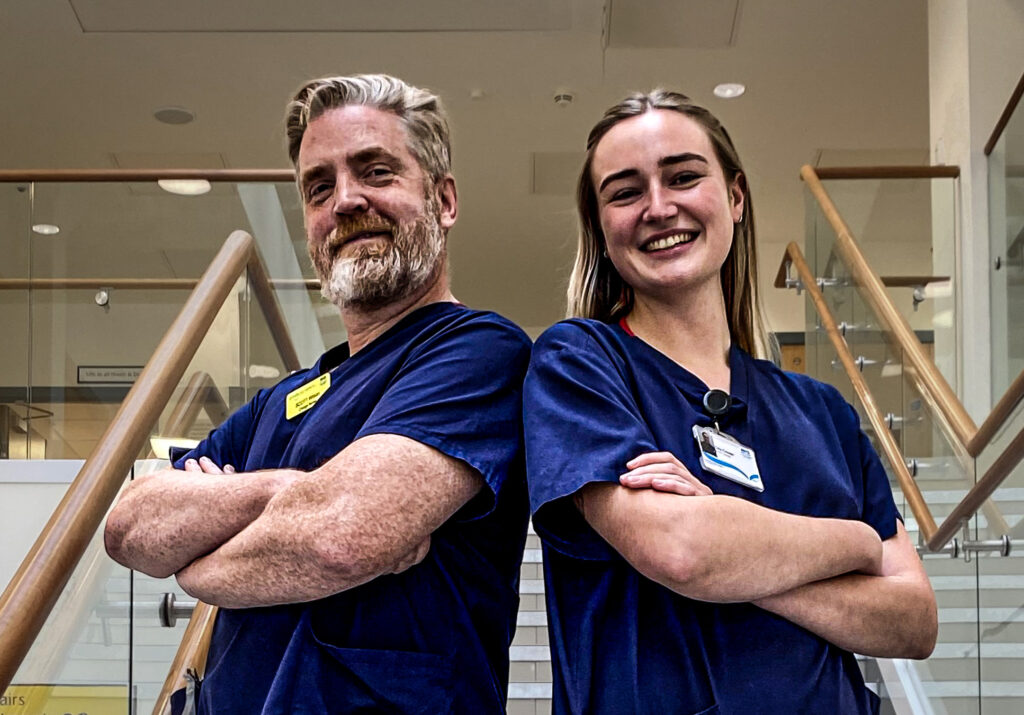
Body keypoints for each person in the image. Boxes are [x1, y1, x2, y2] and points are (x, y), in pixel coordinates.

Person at [105, 74, 532, 713]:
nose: (345, 201)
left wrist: (203, 551)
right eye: (319, 187)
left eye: (376, 171)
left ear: (443, 201)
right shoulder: (287, 398)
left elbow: (343, 538)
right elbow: (130, 525)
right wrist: (292, 493)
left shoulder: (478, 350)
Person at [523, 90, 937, 714]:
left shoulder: (822, 412)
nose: (659, 208)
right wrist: (856, 544)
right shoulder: (579, 365)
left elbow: (914, 621)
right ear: (601, 227)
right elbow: (684, 552)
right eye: (625, 192)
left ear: (736, 197)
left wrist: (733, 542)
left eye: (684, 176)